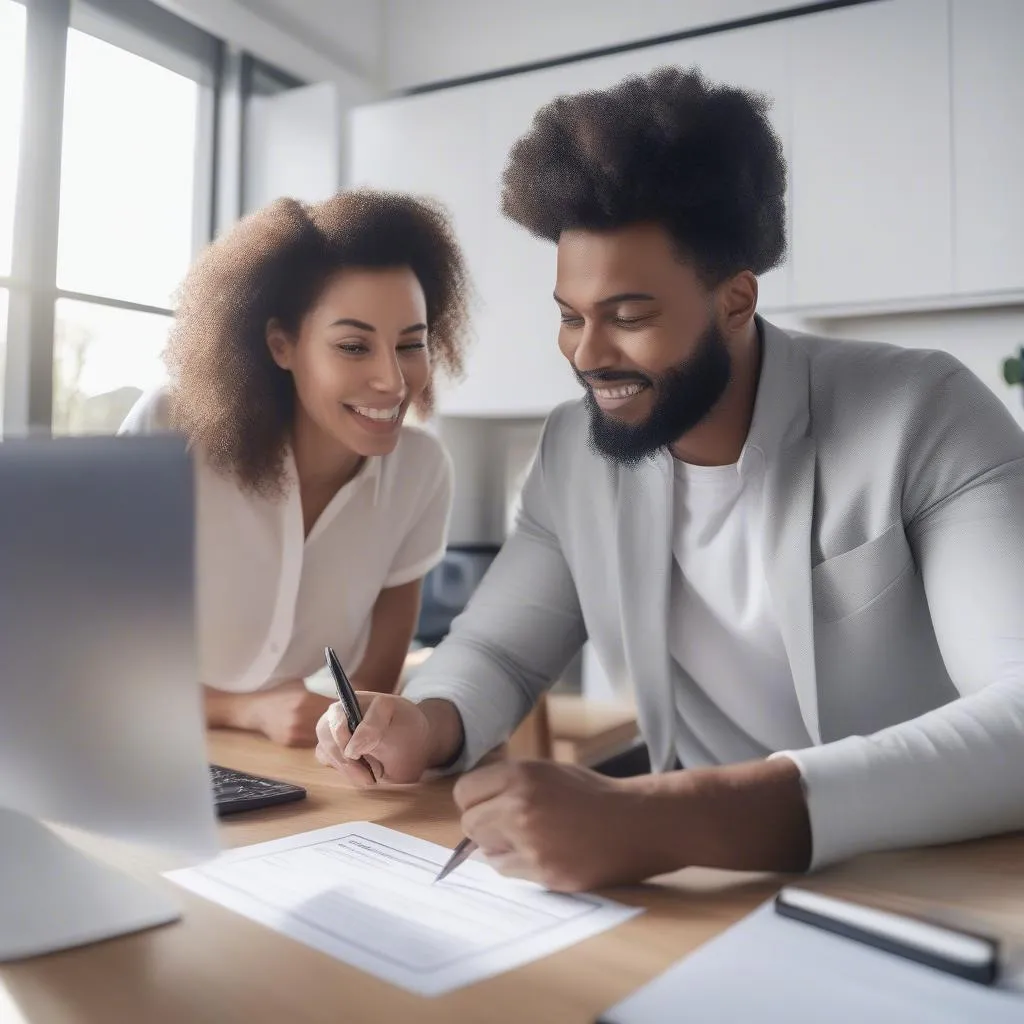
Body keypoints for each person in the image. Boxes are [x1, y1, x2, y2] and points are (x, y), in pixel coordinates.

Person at [315, 68, 1024, 890]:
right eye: (570, 316)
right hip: (711, 886)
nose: (585, 355)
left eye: (628, 317)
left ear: (735, 300)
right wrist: (427, 724)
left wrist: (669, 818)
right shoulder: (574, 453)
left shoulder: (924, 412)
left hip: (933, 873)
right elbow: (501, 651)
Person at [121, 189, 469, 747]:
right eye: (354, 346)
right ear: (282, 345)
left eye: (411, 345)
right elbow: (88, 657)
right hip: (136, 747)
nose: (393, 381)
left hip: (289, 769)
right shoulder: (174, 427)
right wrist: (245, 710)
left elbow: (373, 697)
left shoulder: (422, 472)